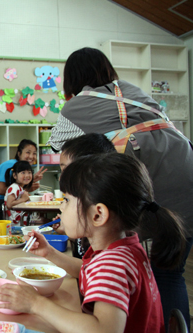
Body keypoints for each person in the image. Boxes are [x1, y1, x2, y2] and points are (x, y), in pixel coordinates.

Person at [47, 47, 193, 329]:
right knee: (169, 272)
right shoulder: (130, 89)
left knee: (145, 269)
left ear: (72, 80)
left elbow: (64, 150)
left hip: (150, 183)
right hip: (187, 174)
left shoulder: (76, 105)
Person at [0, 153, 186, 333]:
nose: (61, 206)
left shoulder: (113, 264)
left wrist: (36, 304)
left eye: (67, 200)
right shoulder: (125, 246)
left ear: (98, 214)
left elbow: (103, 330)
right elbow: (88, 270)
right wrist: (49, 253)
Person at [57, 133, 117, 258]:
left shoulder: (108, 263)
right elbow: (86, 266)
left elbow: (88, 268)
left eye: (66, 170)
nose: (61, 178)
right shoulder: (90, 226)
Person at [0, 139, 46, 221]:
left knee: (35, 214)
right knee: (34, 218)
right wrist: (27, 189)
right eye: (28, 152)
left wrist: (32, 179)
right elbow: (1, 190)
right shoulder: (10, 165)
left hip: (4, 203)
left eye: (34, 153)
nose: (31, 156)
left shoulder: (21, 167)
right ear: (19, 153)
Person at [3, 161, 33, 225]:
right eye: (23, 173)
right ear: (15, 175)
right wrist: (23, 199)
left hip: (19, 221)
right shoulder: (14, 187)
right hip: (14, 223)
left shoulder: (19, 188)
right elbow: (9, 204)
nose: (27, 175)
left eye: (29, 172)